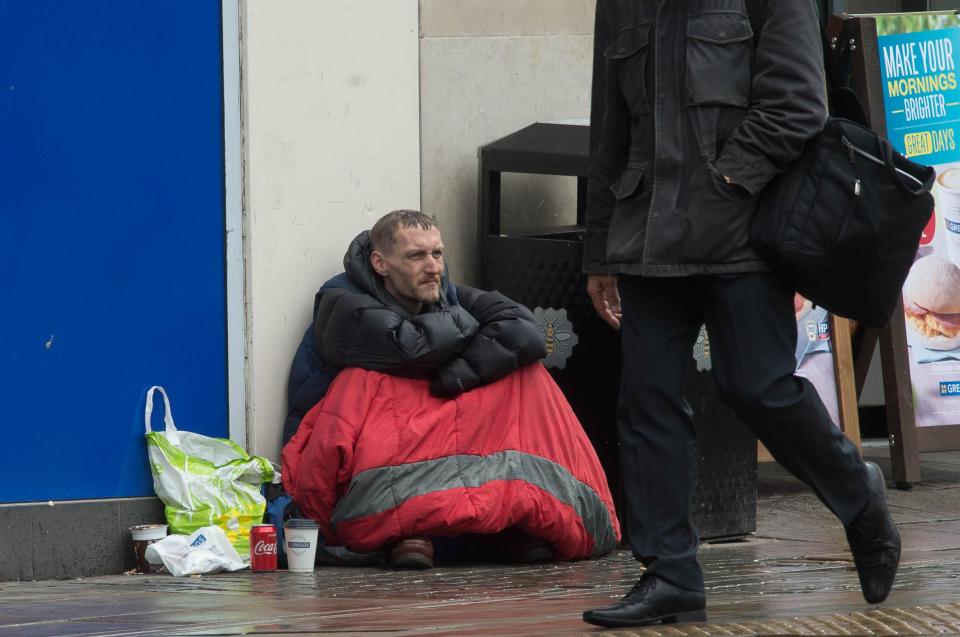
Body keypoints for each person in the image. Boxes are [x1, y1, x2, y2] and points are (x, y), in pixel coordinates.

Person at [581, 0, 900, 628]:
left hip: (743, 237)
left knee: (756, 386)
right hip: (646, 240)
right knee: (646, 404)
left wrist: (726, 182)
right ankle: (670, 574)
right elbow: (608, 130)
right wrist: (598, 248)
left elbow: (797, 106)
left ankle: (860, 498)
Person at [280, 210, 620, 569]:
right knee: (375, 381)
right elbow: (408, 347)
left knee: (524, 373)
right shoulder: (341, 301)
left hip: (425, 431)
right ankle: (408, 526)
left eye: (437, 253)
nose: (433, 267)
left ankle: (515, 517)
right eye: (416, 256)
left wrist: (459, 374)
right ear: (380, 263)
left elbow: (526, 331)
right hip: (355, 444)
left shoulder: (443, 292)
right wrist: (468, 324)